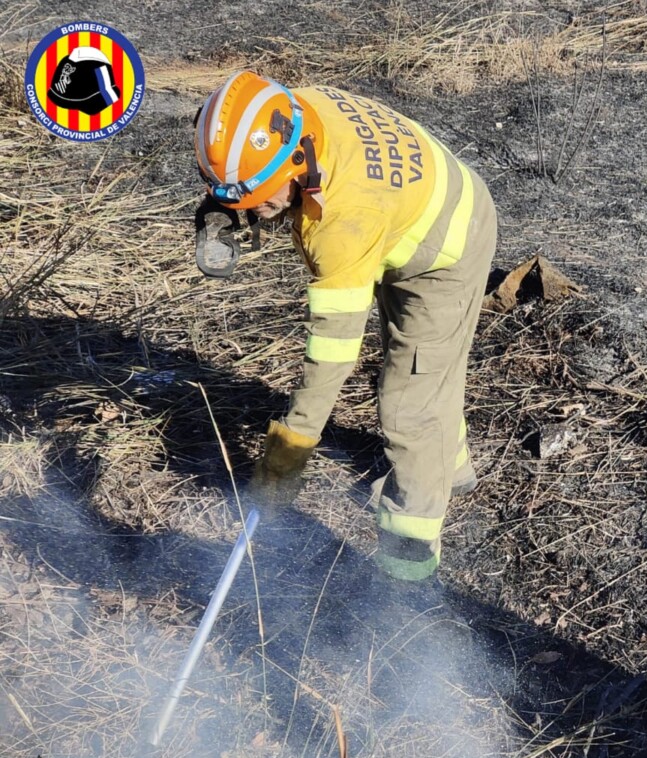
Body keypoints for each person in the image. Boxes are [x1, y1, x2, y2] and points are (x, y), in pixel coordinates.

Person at [193, 71, 497, 583]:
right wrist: (226, 206)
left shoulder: (340, 224)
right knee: (428, 373)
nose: (259, 213)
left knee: (411, 400)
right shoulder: (294, 115)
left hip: (450, 244)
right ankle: (455, 468)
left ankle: (409, 565)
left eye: (263, 201)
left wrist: (290, 450)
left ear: (296, 164)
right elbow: (246, 166)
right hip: (401, 211)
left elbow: (332, 355)